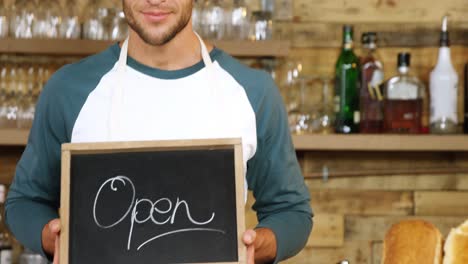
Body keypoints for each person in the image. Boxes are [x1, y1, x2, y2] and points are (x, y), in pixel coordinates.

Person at [5, 0, 313, 263]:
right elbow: (25, 202)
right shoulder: (69, 89)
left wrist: (258, 245)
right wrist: (52, 237)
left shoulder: (254, 92)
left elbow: (291, 211)